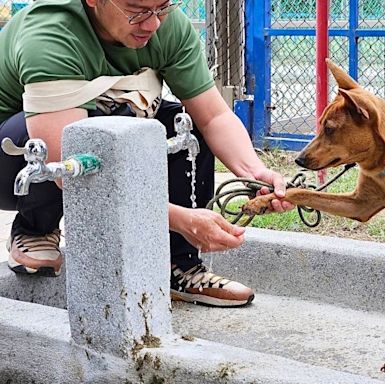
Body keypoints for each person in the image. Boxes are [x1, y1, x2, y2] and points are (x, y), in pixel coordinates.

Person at [0, 0, 292, 307]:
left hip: (93, 126)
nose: (153, 24)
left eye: (162, 7)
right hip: (14, 159)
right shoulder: (51, 32)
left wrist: (254, 171)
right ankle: (35, 227)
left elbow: (213, 118)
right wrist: (180, 219)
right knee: (82, 135)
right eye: (137, 10)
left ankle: (178, 265)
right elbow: (68, 169)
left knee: (185, 127)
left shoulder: (167, 24)